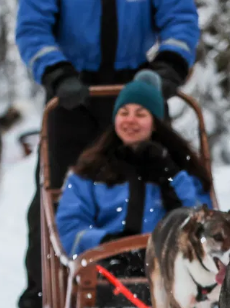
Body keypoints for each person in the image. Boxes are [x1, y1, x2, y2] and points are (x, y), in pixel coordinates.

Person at [13, 0, 201, 308]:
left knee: (166, 176)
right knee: (56, 191)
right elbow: (32, 28)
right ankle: (45, 295)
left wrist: (168, 69)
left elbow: (180, 17)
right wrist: (56, 72)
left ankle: (175, 281)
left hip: (136, 90)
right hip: (74, 96)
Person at [56, 70, 212, 255]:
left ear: (155, 123)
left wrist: (170, 176)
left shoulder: (179, 167)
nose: (130, 120)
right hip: (103, 265)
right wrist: (106, 243)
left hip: (169, 266)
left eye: (140, 114)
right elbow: (71, 226)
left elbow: (200, 221)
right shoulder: (91, 170)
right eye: (124, 112)